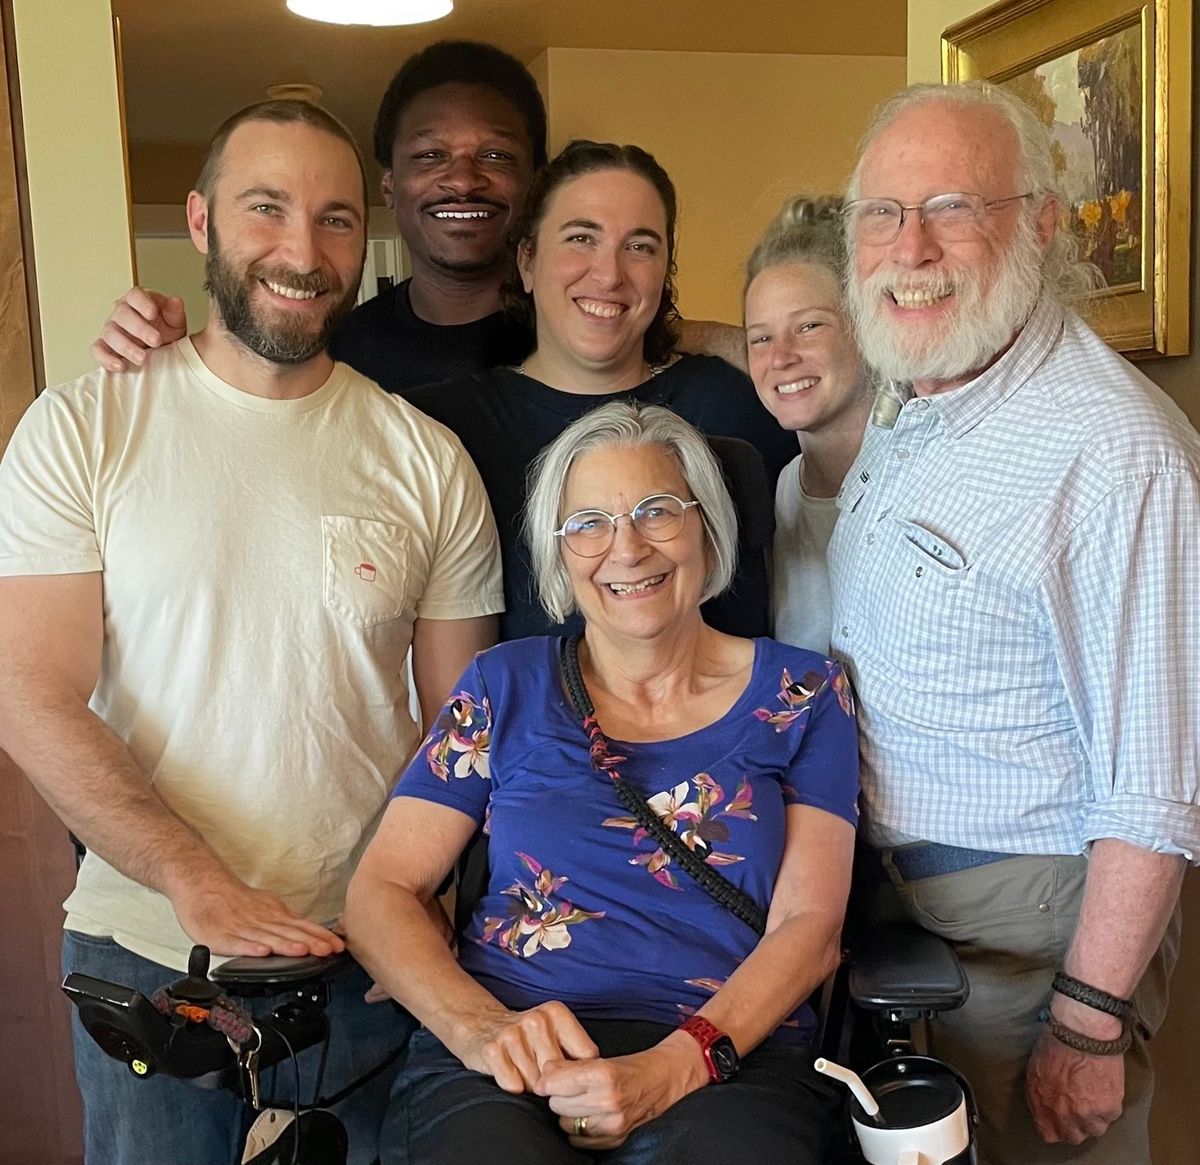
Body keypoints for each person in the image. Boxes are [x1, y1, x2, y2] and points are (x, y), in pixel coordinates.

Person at [0, 99, 502, 1165]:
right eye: (264, 208)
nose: (300, 250)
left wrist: (411, 912)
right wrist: (197, 878)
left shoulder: (426, 459)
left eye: (331, 219)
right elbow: (28, 689)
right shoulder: (85, 425)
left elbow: (462, 730)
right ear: (200, 221)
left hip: (369, 963)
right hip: (150, 957)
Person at [829, 81, 1200, 1165]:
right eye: (881, 214)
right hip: (906, 919)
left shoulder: (1113, 449)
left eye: (952, 207)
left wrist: (1089, 1020)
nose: (911, 248)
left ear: (1040, 221)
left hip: (1030, 936)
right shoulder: (925, 389)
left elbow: (1157, 778)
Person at [344, 401, 860, 1164]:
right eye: (588, 523)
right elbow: (380, 889)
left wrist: (681, 1062)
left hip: (730, 1051)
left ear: (707, 528)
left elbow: (809, 930)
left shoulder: (804, 694)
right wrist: (478, 1029)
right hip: (510, 1046)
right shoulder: (501, 685)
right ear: (560, 555)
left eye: (657, 510)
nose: (625, 547)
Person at [91, 42, 745, 390]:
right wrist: (174, 354)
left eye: (495, 154)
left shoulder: (599, 334)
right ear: (389, 185)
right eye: (430, 154)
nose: (462, 177)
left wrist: (737, 340)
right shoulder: (335, 348)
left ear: (536, 181)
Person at [408, 140, 797, 642]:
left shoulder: (742, 402)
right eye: (580, 238)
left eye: (640, 246)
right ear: (527, 260)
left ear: (664, 271)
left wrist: (734, 342)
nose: (610, 274)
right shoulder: (441, 428)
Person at [743, 195, 874, 653]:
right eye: (760, 337)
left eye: (809, 326)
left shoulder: (926, 479)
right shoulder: (782, 492)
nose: (780, 357)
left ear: (866, 328)